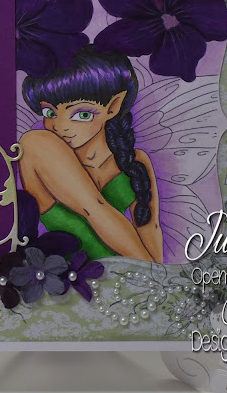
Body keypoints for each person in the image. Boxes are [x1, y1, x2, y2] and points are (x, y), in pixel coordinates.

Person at [19, 45, 163, 262]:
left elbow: (151, 231)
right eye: (50, 112)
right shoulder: (37, 144)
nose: (60, 126)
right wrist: (154, 275)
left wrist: (158, 276)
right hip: (73, 280)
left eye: (82, 114)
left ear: (113, 106)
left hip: (134, 275)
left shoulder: (135, 161)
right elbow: (94, 209)